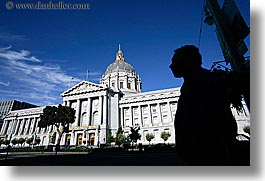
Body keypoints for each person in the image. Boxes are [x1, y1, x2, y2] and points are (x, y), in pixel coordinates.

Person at [169, 45, 238, 165]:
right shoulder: (192, 84)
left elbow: (217, 119)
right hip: (198, 153)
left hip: (206, 153)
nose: (171, 66)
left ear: (187, 62)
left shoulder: (204, 82)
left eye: (175, 61)